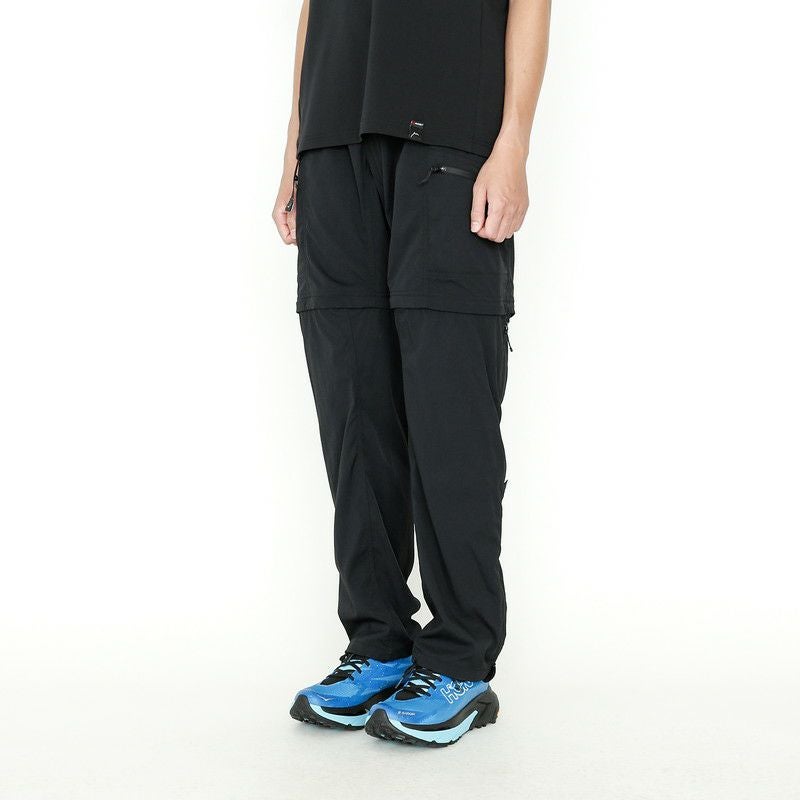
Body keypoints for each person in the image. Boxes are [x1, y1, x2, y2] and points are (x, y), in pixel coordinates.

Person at [273, 0, 550, 747]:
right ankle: (379, 642)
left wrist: (513, 144)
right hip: (334, 147)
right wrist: (296, 147)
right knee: (353, 409)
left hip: (452, 147)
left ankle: (460, 657)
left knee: (450, 410)